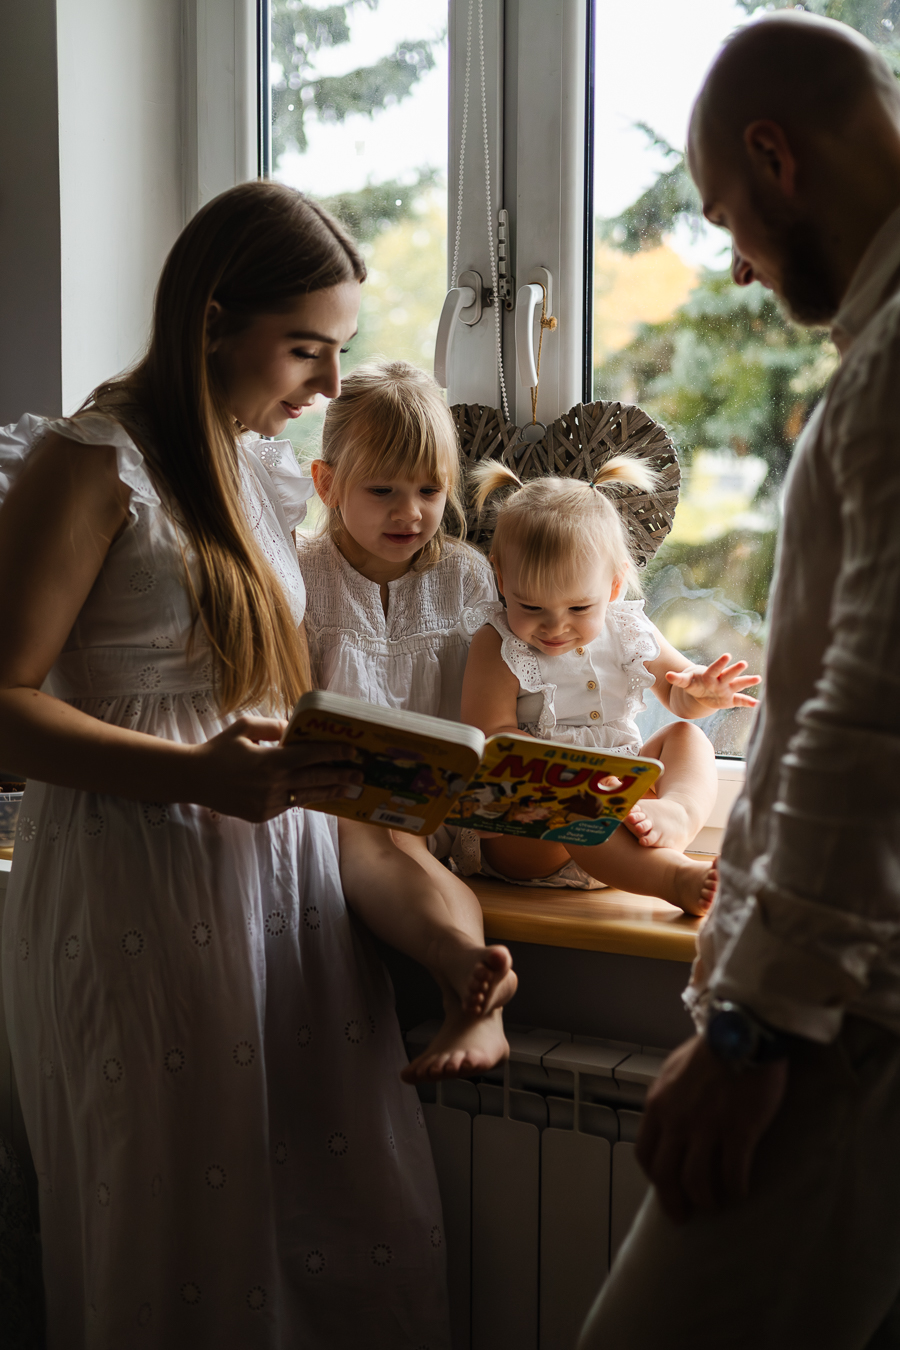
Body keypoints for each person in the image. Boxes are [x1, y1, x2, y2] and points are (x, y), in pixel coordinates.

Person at [0, 181, 459, 1348]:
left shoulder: (252, 469)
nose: (331, 385)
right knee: (177, 1235)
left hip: (277, 886)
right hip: (133, 885)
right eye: (306, 348)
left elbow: (263, 696)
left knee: (318, 1221)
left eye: (340, 349)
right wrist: (196, 778)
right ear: (212, 321)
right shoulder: (90, 462)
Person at [579, 12, 900, 1349]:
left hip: (844, 1017)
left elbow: (870, 719)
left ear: (778, 157)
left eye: (726, 218)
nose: (735, 265)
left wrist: (750, 1030)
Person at [300, 359, 516, 1081]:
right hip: (344, 812)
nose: (411, 513)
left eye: (429, 490)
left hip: (440, 806)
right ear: (326, 484)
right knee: (374, 830)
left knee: (409, 838)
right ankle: (468, 977)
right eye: (382, 491)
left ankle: (470, 986)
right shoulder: (302, 575)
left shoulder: (464, 576)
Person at [458, 458, 758, 914]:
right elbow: (494, 740)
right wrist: (580, 778)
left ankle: (676, 815)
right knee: (574, 803)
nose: (555, 626)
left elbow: (677, 696)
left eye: (579, 608)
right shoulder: (496, 643)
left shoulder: (629, 628)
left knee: (687, 738)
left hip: (623, 814)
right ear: (501, 577)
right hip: (532, 832)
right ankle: (675, 878)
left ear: (615, 585)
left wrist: (700, 692)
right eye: (531, 607)